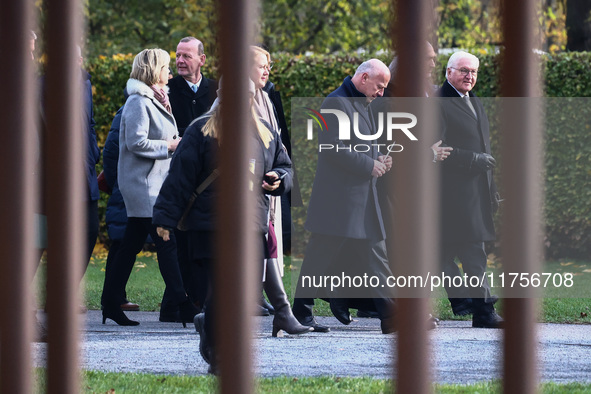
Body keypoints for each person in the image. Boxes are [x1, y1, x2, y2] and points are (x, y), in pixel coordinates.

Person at [153, 80, 311, 373]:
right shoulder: (201, 129)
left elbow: (286, 167)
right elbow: (179, 178)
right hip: (209, 225)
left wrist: (278, 178)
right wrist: (164, 219)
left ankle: (211, 331)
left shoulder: (264, 131)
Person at [292, 59, 397, 334]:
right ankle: (300, 313)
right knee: (318, 258)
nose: (381, 93)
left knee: (377, 256)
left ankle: (391, 316)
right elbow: (332, 148)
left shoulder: (363, 102)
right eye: (379, 86)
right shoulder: (335, 103)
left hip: (363, 199)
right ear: (363, 78)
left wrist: (378, 158)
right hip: (339, 202)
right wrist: (369, 165)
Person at [100, 48, 197, 326]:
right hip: (143, 186)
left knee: (130, 245)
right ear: (154, 69)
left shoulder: (156, 99)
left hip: (154, 184)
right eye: (166, 66)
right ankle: (182, 304)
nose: (170, 71)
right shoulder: (138, 102)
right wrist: (171, 145)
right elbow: (135, 142)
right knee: (167, 242)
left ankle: (109, 303)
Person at [437, 51, 503, 328]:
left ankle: (469, 303)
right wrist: (470, 159)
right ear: (448, 72)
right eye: (464, 70)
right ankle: (481, 310)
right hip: (449, 194)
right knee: (469, 252)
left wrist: (492, 190)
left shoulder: (473, 100)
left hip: (475, 194)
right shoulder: (438, 104)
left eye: (474, 72)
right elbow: (433, 150)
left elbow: (484, 151)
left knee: (443, 254)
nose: (470, 76)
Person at [159, 37, 218, 322]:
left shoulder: (215, 90)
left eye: (187, 56)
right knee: (180, 241)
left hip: (209, 179)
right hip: (179, 173)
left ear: (202, 60)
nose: (180, 61)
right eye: (177, 56)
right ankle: (176, 304)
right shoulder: (166, 91)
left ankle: (194, 302)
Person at [100, 88, 140, 312]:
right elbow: (111, 153)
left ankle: (113, 298)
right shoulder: (129, 109)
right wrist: (122, 182)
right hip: (129, 188)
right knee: (123, 242)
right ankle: (113, 298)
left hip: (131, 186)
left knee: (125, 243)